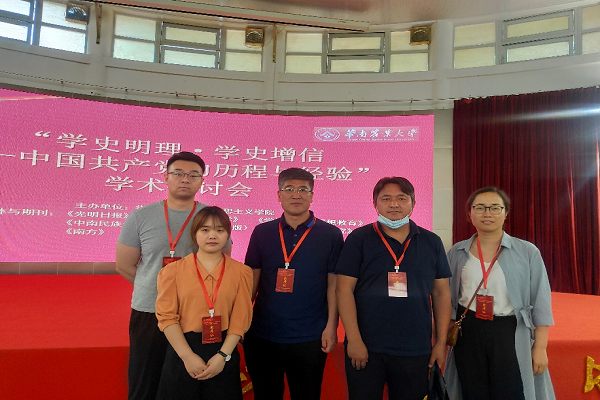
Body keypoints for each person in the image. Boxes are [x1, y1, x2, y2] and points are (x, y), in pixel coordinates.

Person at [116, 151, 232, 400]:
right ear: (165, 177)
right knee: (144, 380)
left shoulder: (211, 218)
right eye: (178, 173)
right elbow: (124, 265)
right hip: (149, 310)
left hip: (194, 313)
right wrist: (159, 291)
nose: (185, 179)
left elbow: (222, 263)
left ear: (202, 180)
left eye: (193, 175)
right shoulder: (140, 217)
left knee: (183, 384)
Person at [336, 176, 452, 400]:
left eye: (401, 198)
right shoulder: (359, 239)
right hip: (367, 347)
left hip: (415, 349)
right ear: (375, 203)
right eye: (386, 199)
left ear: (413, 203)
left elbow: (441, 292)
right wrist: (355, 340)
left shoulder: (431, 242)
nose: (394, 204)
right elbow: (343, 290)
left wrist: (440, 343)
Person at [444, 187, 555, 400]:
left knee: (510, 391)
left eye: (495, 208)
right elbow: (447, 299)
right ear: (470, 213)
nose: (487, 213)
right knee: (471, 391)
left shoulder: (527, 252)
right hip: (468, 331)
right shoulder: (457, 252)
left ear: (506, 213)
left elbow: (540, 301)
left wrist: (540, 347)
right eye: (480, 208)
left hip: (509, 331)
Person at [243, 167, 344, 400]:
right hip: (262, 334)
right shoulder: (262, 232)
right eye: (289, 189)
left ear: (312, 195)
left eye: (303, 190)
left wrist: (331, 326)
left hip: (310, 336)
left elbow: (334, 285)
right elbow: (252, 280)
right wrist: (241, 321)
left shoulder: (331, 234)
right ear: (279, 194)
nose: (296, 195)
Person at [155, 206, 253, 400]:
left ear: (228, 235)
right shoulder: (172, 271)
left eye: (220, 230)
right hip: (183, 349)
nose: (212, 235)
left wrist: (222, 356)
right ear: (195, 233)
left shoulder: (242, 272)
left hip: (223, 349)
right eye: (205, 230)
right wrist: (187, 356)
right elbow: (167, 318)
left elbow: (240, 320)